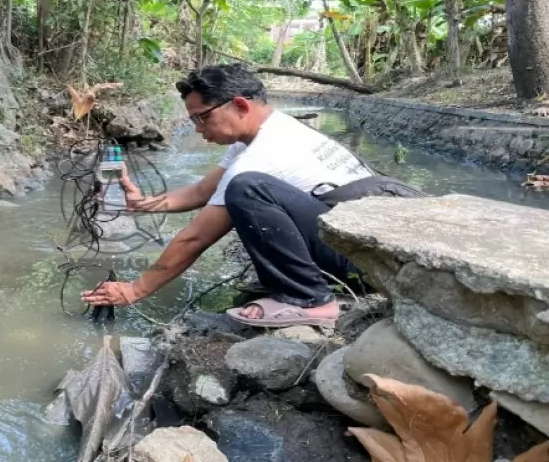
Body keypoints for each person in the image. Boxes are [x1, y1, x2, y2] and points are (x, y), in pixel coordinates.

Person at [81, 63, 424, 328]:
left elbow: (195, 237)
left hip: (369, 259)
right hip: (368, 240)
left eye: (202, 119)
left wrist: (135, 290)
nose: (199, 131)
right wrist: (140, 203)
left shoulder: (266, 154)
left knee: (246, 189)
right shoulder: (265, 133)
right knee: (241, 186)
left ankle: (310, 301)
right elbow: (202, 191)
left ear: (240, 105)